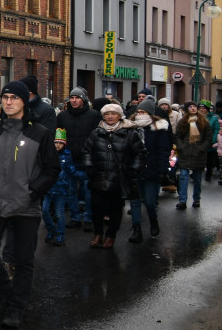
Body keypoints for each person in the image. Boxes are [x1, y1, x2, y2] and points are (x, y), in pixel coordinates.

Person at [0, 80, 58, 329]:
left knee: (23, 259)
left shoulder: (40, 133)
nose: (9, 102)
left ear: (24, 101)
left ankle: (15, 308)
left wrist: (33, 191)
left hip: (25, 206)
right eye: (5, 97)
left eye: (14, 97)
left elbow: (52, 169)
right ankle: (4, 293)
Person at [80, 103, 146, 249]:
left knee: (115, 209)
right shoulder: (96, 132)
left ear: (119, 115)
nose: (110, 116)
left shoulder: (130, 133)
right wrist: (89, 166)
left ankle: (111, 235)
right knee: (96, 208)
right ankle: (98, 234)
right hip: (98, 177)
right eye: (107, 114)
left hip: (119, 178)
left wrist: (133, 170)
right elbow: (87, 150)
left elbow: (140, 154)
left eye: (113, 113)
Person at [56, 87, 102, 232]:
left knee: (88, 189)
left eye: (77, 97)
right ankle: (75, 217)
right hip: (69, 157)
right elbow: (59, 135)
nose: (74, 100)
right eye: (72, 97)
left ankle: (88, 218)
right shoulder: (63, 116)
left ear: (84, 99)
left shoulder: (94, 115)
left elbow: (97, 136)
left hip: (88, 157)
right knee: (70, 189)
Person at [131, 98, 171, 240]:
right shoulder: (130, 127)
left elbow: (163, 150)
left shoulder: (158, 129)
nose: (140, 115)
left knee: (149, 201)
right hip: (133, 170)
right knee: (134, 201)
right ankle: (136, 230)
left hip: (151, 169)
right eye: (138, 112)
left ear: (150, 113)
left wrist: (162, 170)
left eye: (143, 112)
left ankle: (153, 221)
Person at [43, 129, 83, 246]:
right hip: (48, 188)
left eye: (60, 143)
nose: (57, 145)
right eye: (55, 142)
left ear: (64, 144)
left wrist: (85, 175)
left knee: (59, 213)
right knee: (45, 211)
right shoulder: (47, 154)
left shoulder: (67, 156)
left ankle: (60, 234)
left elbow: (72, 171)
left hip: (61, 189)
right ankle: (51, 229)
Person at [174, 101, 211, 210]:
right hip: (185, 154)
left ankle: (196, 199)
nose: (193, 108)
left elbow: (208, 138)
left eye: (195, 106)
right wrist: (181, 147)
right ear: (186, 110)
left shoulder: (204, 122)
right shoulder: (183, 122)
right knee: (183, 177)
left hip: (198, 155)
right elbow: (178, 137)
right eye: (190, 107)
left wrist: (201, 148)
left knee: (197, 178)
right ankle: (182, 200)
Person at [199, 101, 220, 181]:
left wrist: (213, 141)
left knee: (209, 160)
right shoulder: (197, 117)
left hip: (209, 142)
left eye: (203, 108)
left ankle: (208, 173)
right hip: (200, 142)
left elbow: (216, 130)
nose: (201, 110)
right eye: (200, 108)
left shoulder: (214, 118)